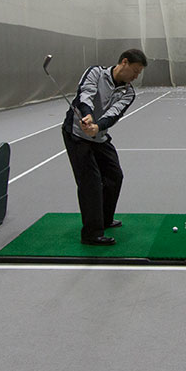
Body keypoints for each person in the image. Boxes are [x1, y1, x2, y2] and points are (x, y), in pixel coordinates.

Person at [61, 49, 147, 245]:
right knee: (90, 182)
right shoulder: (95, 73)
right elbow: (85, 94)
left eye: (139, 73)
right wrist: (87, 115)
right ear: (123, 62)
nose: (135, 76)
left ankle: (106, 219)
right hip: (76, 135)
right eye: (134, 71)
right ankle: (92, 233)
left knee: (114, 175)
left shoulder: (128, 92)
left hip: (99, 137)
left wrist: (97, 126)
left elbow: (114, 114)